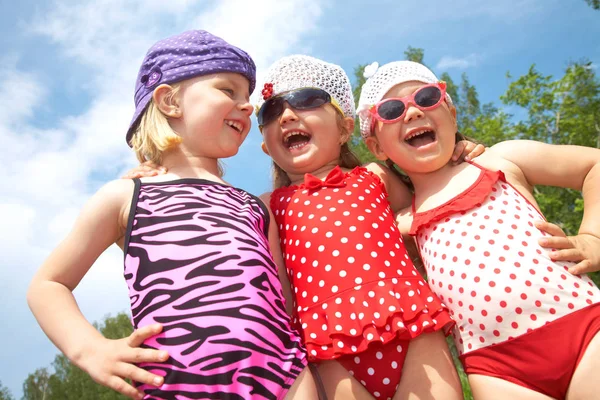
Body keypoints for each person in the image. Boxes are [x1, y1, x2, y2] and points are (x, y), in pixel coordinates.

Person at [27, 30, 318, 400]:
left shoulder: (255, 207)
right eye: (228, 90)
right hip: (177, 385)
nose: (247, 106)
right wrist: (90, 349)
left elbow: (283, 305)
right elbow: (48, 285)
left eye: (248, 98)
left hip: (284, 381)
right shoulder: (127, 195)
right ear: (169, 101)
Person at [358, 60, 600, 400]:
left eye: (426, 97)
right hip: (495, 369)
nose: (412, 113)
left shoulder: (500, 160)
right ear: (378, 147)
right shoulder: (402, 223)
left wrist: (592, 237)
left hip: (582, 324)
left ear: (452, 113)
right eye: (392, 110)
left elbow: (594, 165)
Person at [254, 55, 486, 400]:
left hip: (410, 326)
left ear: (346, 129)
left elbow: (427, 216)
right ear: (266, 147)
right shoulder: (270, 205)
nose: (287, 116)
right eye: (271, 112)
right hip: (329, 347)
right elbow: (279, 292)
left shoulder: (374, 176)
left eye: (306, 101)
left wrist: (457, 156)